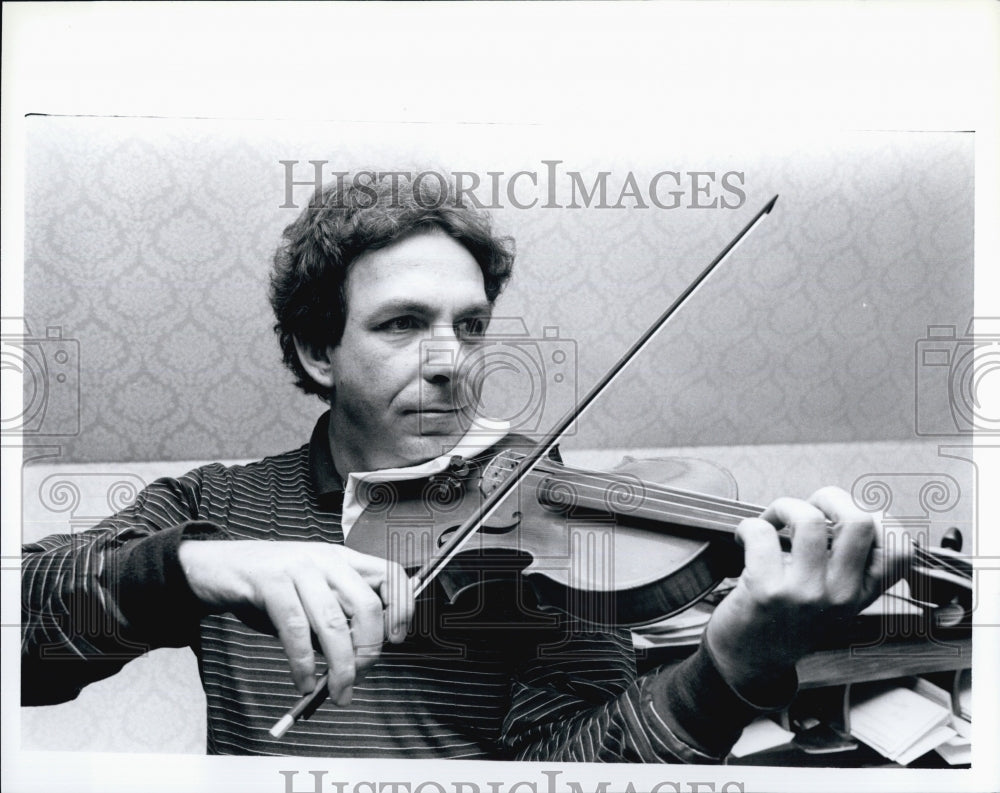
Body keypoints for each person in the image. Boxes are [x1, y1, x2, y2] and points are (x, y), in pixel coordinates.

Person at [21, 172, 908, 760]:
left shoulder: (550, 531)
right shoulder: (218, 503)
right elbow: (23, 642)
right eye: (403, 323)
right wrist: (194, 565)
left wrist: (731, 668)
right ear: (318, 351)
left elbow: (582, 769)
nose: (453, 361)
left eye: (471, 324)